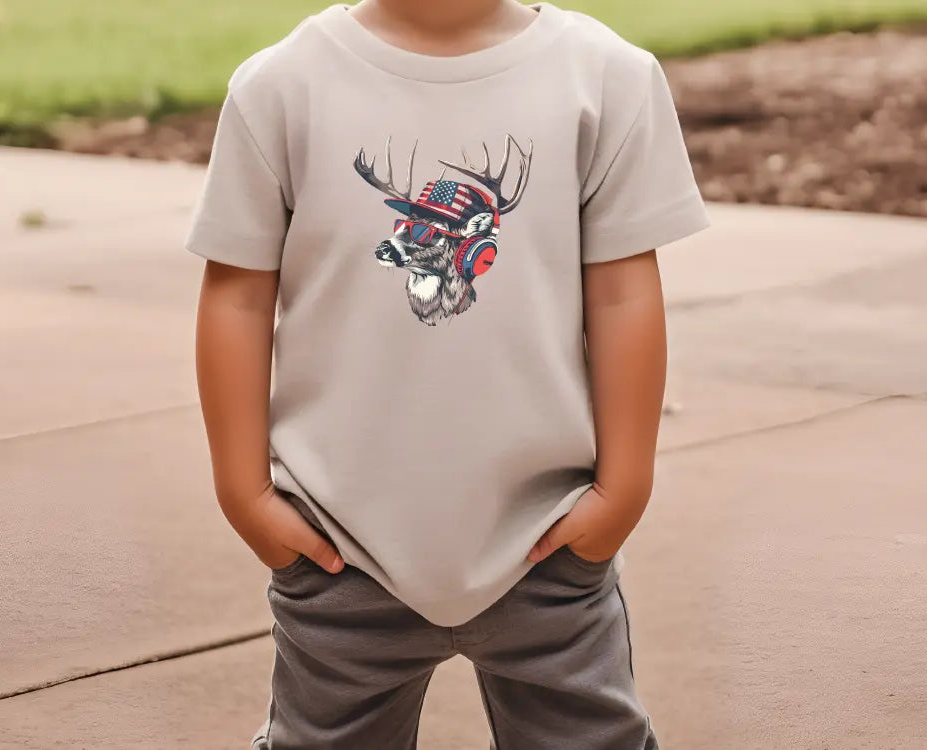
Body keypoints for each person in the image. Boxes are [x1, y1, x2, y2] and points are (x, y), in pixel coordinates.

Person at [186, 0, 709, 747]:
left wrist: (624, 489)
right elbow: (237, 295)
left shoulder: (606, 80)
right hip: (338, 544)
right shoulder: (282, 87)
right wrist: (245, 493)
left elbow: (625, 293)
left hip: (547, 541)